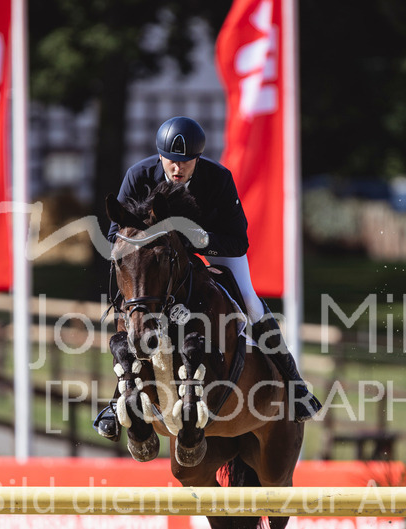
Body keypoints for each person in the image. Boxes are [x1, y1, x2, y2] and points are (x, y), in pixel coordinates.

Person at [94, 116, 321, 441]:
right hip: (153, 257)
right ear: (160, 156)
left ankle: (295, 386)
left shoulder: (218, 179)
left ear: (197, 159)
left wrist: (196, 247)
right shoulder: (139, 175)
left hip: (213, 250)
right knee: (131, 318)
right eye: (172, 161)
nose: (178, 168)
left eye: (186, 162)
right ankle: (117, 401)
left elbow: (237, 240)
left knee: (251, 304)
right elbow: (117, 234)